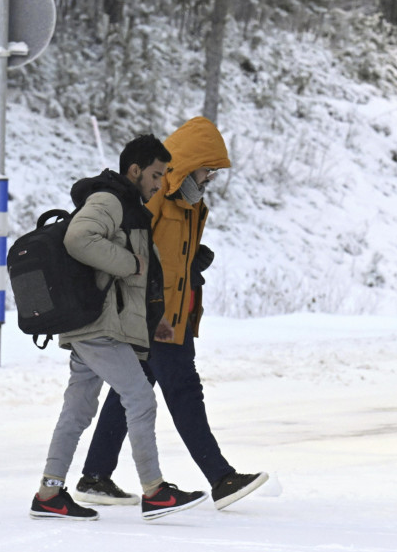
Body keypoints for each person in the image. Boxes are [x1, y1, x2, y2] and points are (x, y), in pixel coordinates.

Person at [74, 117, 269, 511]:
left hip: (171, 310)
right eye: (207, 168)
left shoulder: (191, 204)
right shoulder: (158, 197)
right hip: (156, 315)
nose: (211, 176)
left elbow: (166, 253)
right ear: (189, 164)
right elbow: (139, 248)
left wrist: (191, 261)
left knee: (132, 390)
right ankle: (221, 477)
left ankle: (95, 477)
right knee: (182, 388)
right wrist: (155, 301)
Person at [30, 134, 207, 522]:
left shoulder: (129, 206)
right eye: (156, 175)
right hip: (97, 324)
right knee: (140, 398)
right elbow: (80, 238)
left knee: (77, 411)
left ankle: (49, 494)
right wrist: (130, 264)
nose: (160, 184)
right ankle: (155, 491)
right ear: (135, 170)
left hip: (97, 324)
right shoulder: (109, 200)